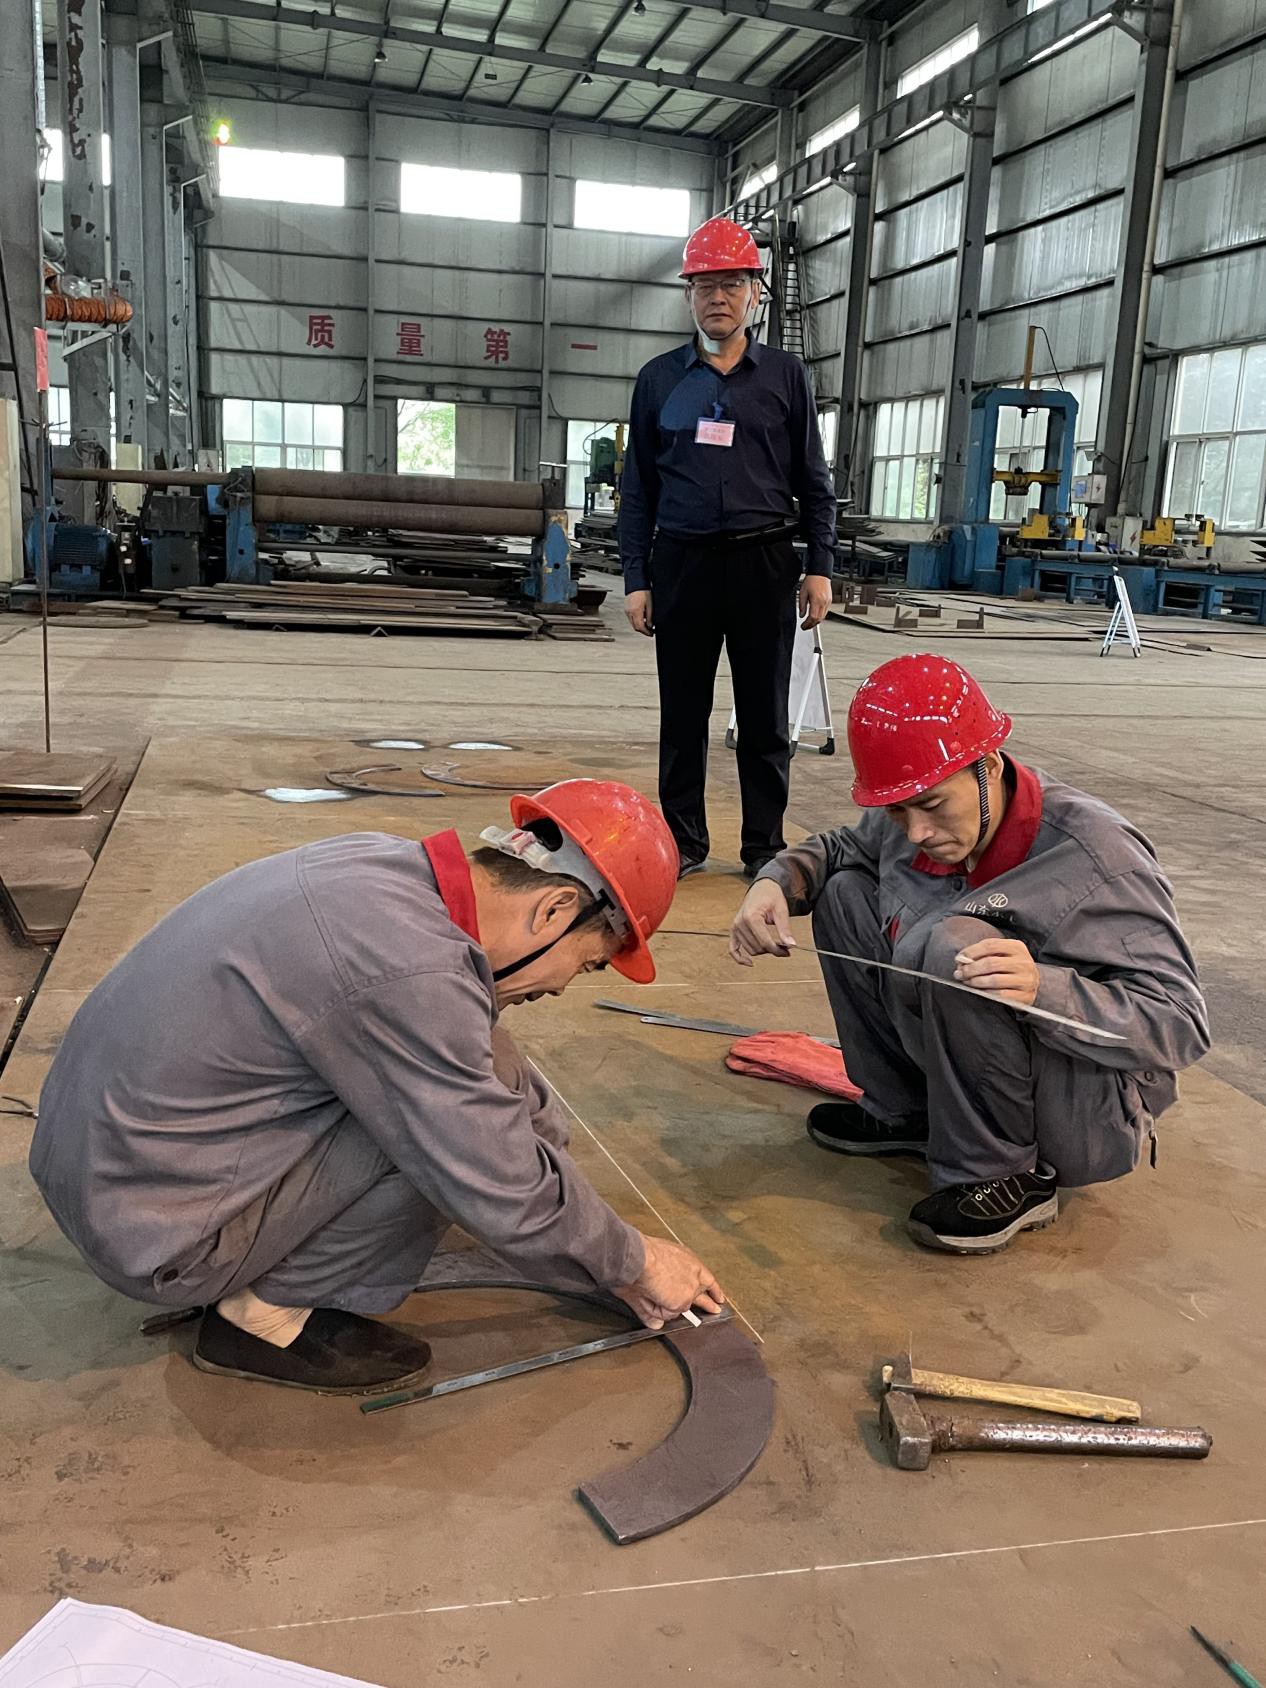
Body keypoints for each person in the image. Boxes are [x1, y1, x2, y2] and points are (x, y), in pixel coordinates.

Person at [30, 781, 725, 1394]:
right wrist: (632, 1262)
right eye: (589, 962)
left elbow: (499, 1081)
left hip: (112, 1167)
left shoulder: (384, 872)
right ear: (555, 909)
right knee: (447, 1149)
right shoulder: (409, 972)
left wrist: (590, 1237)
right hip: (159, 1234)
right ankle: (259, 1317)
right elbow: (495, 1177)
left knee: (487, 1085)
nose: (564, 984)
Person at [729, 655, 1209, 1254]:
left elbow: (1181, 1024)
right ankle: (905, 1113)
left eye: (932, 805)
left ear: (989, 767)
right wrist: (776, 883)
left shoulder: (1098, 858)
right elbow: (841, 849)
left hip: (1078, 1110)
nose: (915, 832)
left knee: (958, 943)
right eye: (896, 810)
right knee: (845, 892)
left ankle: (1004, 1173)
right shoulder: (914, 817)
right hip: (963, 1073)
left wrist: (1045, 989)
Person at [618, 214, 838, 881]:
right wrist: (636, 578)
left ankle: (763, 846)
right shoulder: (659, 380)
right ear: (688, 295)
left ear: (755, 294)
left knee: (766, 716)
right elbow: (638, 489)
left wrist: (820, 567)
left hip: (763, 562)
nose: (719, 297)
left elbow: (814, 480)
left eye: (733, 284)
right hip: (681, 563)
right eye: (705, 285)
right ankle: (684, 843)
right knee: (683, 715)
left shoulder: (786, 377)